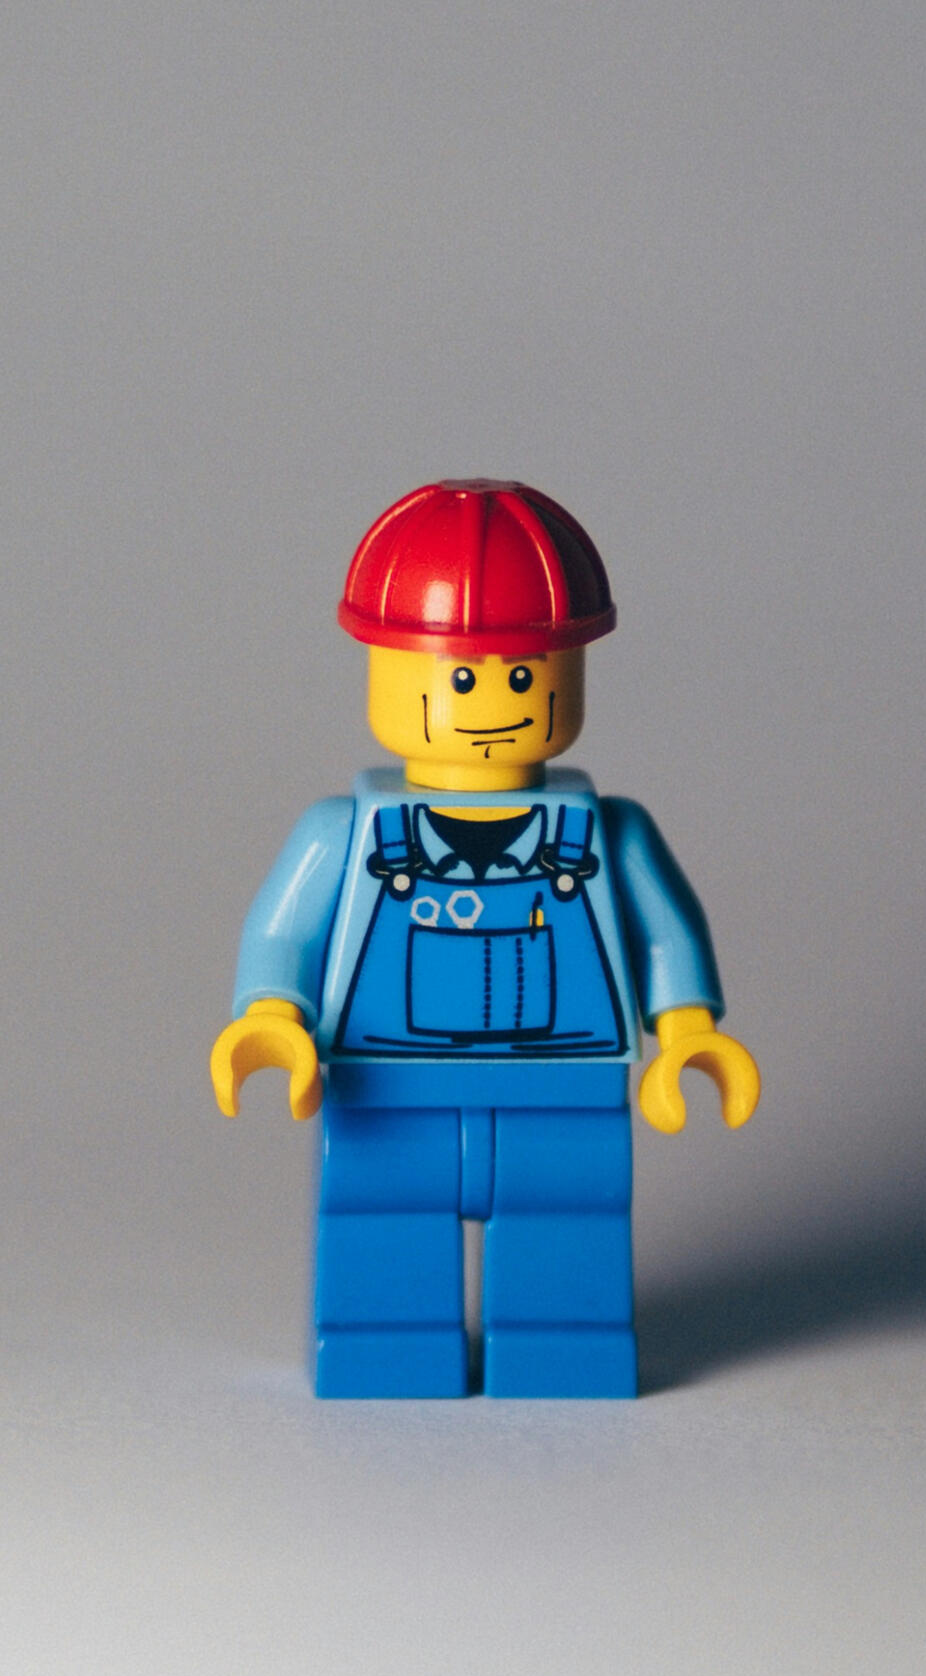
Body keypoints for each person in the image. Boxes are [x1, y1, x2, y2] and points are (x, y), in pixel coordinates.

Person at [211, 480, 758, 1397]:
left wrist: (688, 1032)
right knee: (383, 1233)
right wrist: (271, 1016)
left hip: (567, 1085)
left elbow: (666, 931)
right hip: (387, 1086)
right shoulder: (341, 833)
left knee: (567, 1228)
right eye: (461, 677)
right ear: (391, 670)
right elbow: (283, 932)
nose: (493, 699)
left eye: (523, 674)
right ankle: (384, 1349)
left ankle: (561, 1350)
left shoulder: (609, 832)